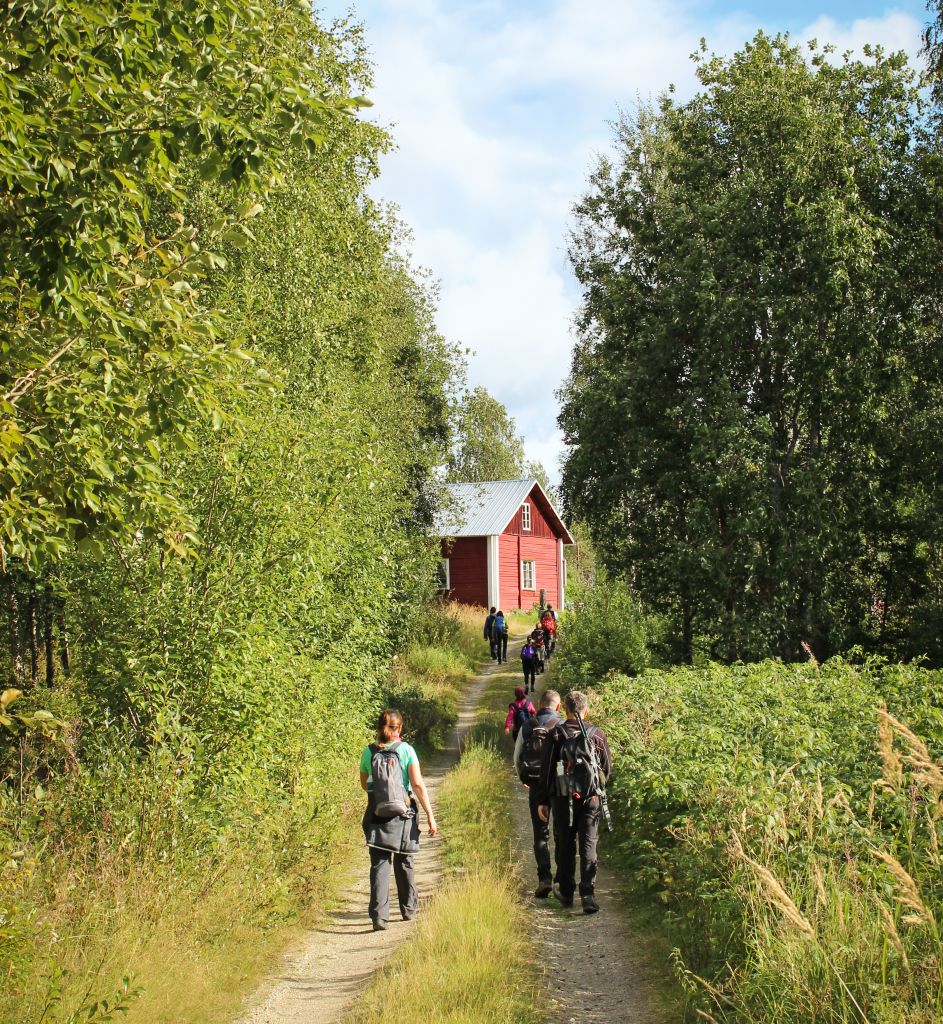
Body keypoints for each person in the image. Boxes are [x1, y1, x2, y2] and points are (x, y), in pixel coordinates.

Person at [359, 709, 437, 931]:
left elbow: (365, 785)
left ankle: (379, 917)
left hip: (376, 815)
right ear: (399, 728)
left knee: (379, 864)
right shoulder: (407, 750)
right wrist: (430, 815)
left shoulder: (368, 752)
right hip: (403, 815)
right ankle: (408, 909)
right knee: (404, 861)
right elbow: (418, 785)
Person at [537, 691, 612, 914]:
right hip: (591, 798)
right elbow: (606, 768)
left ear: (565, 710)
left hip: (562, 797)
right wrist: (596, 788)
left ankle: (567, 892)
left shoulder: (556, 734)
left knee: (565, 843)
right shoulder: (596, 734)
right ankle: (588, 895)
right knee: (589, 843)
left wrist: (543, 801)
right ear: (586, 710)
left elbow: (547, 769)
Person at [513, 689, 562, 897]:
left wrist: (525, 778)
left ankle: (544, 878)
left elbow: (517, 757)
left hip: (536, 786)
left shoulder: (528, 725)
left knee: (540, 834)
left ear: (539, 705)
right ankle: (562, 879)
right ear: (558, 706)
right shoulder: (562, 725)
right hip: (560, 786)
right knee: (562, 833)